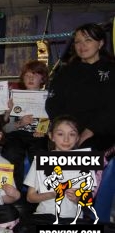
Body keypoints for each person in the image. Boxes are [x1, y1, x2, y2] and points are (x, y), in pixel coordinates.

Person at [13, 116, 104, 233]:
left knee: (102, 232)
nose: (66, 139)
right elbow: (30, 197)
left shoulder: (84, 160)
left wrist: (77, 198)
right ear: (51, 136)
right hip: (46, 218)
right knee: (22, 229)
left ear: (78, 138)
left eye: (72, 134)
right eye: (60, 134)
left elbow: (88, 200)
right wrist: (52, 194)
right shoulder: (41, 160)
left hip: (72, 219)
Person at [46, 23, 115, 152]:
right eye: (78, 42)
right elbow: (53, 103)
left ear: (100, 43)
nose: (82, 46)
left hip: (101, 133)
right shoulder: (64, 72)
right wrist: (66, 131)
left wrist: (90, 131)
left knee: (86, 152)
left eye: (88, 40)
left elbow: (111, 109)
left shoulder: (111, 71)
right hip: (67, 130)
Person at [1, 60, 50, 188]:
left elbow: (54, 122)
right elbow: (5, 128)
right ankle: (13, 191)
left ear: (42, 78)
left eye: (35, 75)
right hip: (17, 134)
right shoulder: (14, 97)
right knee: (11, 152)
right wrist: (19, 123)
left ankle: (37, 192)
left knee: (40, 155)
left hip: (38, 135)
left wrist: (43, 130)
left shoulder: (48, 98)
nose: (30, 78)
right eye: (27, 75)